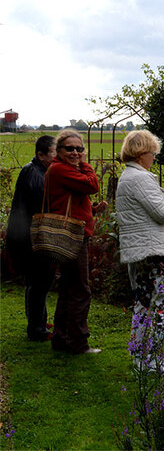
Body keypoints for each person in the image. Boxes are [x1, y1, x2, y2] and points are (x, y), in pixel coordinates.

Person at [115, 130, 164, 370]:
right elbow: (163, 213)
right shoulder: (142, 178)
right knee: (163, 306)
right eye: (152, 153)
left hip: (141, 253)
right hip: (157, 253)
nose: (154, 157)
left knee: (143, 304)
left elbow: (150, 209)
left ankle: (139, 357)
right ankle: (154, 360)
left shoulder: (127, 177)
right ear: (141, 153)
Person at [46, 128, 107, 354]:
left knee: (68, 288)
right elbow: (92, 185)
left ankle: (61, 338)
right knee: (81, 289)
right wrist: (85, 163)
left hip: (70, 232)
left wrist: (91, 209)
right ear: (59, 151)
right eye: (69, 148)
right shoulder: (62, 169)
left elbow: (67, 201)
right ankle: (78, 342)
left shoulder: (59, 170)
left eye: (79, 149)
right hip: (73, 235)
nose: (74, 153)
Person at [6, 135, 57, 342]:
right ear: (41, 155)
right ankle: (37, 329)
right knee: (40, 281)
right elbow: (43, 203)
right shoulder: (35, 173)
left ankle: (38, 322)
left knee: (38, 281)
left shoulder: (35, 170)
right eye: (54, 152)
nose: (58, 156)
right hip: (30, 237)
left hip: (26, 234)